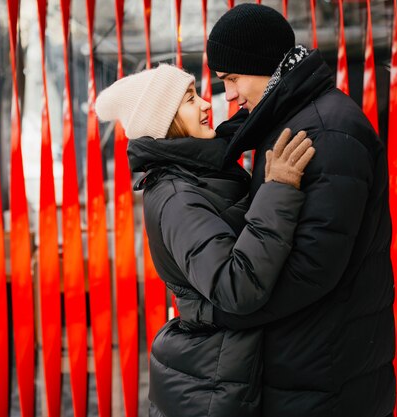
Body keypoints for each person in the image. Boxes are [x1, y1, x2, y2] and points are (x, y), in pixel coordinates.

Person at [177, 4, 396, 417]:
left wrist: (220, 311)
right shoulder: (293, 120)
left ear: (261, 64)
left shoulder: (322, 132)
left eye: (232, 79)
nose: (231, 95)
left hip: (326, 377)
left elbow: (311, 268)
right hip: (315, 365)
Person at [94, 63, 315, 417]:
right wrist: (278, 192)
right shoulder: (177, 196)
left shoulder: (202, 172)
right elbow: (235, 286)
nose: (206, 104)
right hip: (213, 379)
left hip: (227, 364)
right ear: (165, 123)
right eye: (189, 99)